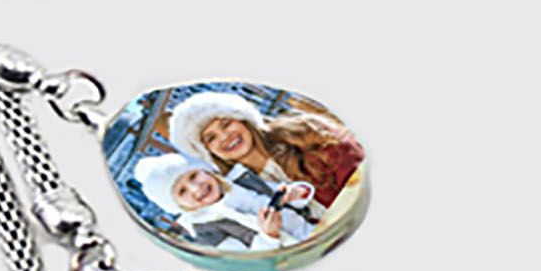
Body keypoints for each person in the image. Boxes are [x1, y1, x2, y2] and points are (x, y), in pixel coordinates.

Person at [166, 90, 367, 213]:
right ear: (208, 152)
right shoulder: (244, 194)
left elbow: (361, 175)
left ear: (244, 120)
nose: (224, 137)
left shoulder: (305, 133)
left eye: (226, 124)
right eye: (211, 138)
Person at [128, 151, 308, 252]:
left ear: (205, 170)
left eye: (193, 176)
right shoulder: (206, 231)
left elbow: (287, 196)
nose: (196, 188)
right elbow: (248, 262)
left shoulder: (242, 181)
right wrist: (269, 236)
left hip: (312, 232)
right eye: (182, 191)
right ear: (178, 206)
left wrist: (297, 194)